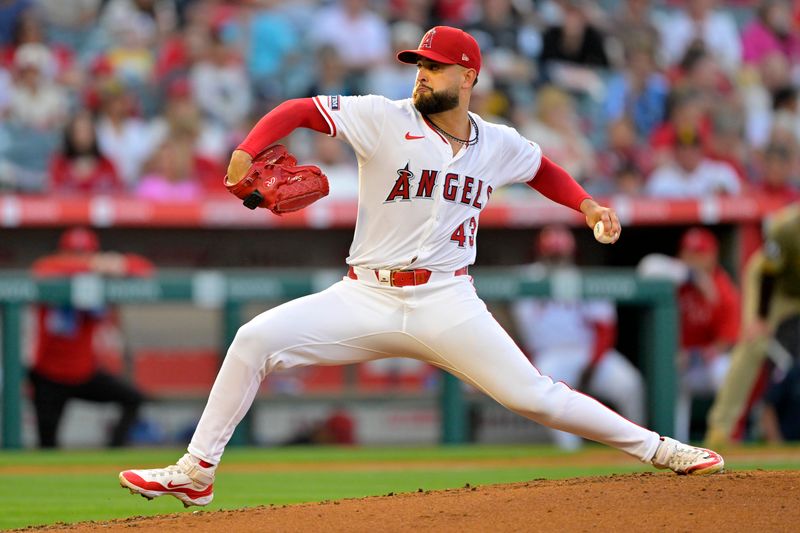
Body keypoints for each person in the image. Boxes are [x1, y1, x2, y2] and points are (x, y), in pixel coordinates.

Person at [119, 26, 725, 509]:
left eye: (432, 66)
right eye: (418, 65)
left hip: (446, 302)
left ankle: (663, 449)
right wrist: (247, 149)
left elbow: (542, 170)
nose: (421, 75)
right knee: (253, 339)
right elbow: (300, 110)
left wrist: (588, 205)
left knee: (534, 396)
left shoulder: (498, 142)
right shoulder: (384, 117)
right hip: (365, 296)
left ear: (467, 76)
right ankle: (196, 473)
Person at [510, 225, 646, 450]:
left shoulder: (583, 279)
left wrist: (593, 363)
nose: (555, 259)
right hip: (550, 355)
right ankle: (571, 453)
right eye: (551, 253)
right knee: (545, 392)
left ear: (571, 253)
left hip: (588, 352)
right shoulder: (525, 278)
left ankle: (641, 445)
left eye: (560, 254)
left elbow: (605, 327)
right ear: (540, 252)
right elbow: (513, 327)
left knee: (629, 383)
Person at [29, 227, 154, 448]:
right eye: (73, 253)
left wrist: (115, 264)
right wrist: (93, 264)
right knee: (47, 445)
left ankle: (113, 455)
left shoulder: (95, 284)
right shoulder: (52, 270)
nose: (80, 258)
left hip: (83, 372)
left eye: (85, 253)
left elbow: (143, 269)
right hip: (49, 376)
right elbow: (43, 269)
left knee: (133, 398)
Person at [706, 202, 800, 446]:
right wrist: (760, 318)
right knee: (752, 344)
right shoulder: (786, 227)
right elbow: (769, 272)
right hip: (775, 287)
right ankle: (721, 428)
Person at [638, 228, 740, 442]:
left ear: (712, 256)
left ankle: (729, 436)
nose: (692, 259)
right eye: (689, 254)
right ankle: (675, 442)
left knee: (727, 371)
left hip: (706, 362)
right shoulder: (676, 279)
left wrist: (693, 356)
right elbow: (646, 267)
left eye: (699, 254)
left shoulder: (723, 289)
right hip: (679, 364)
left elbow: (727, 341)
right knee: (670, 380)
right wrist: (692, 275)